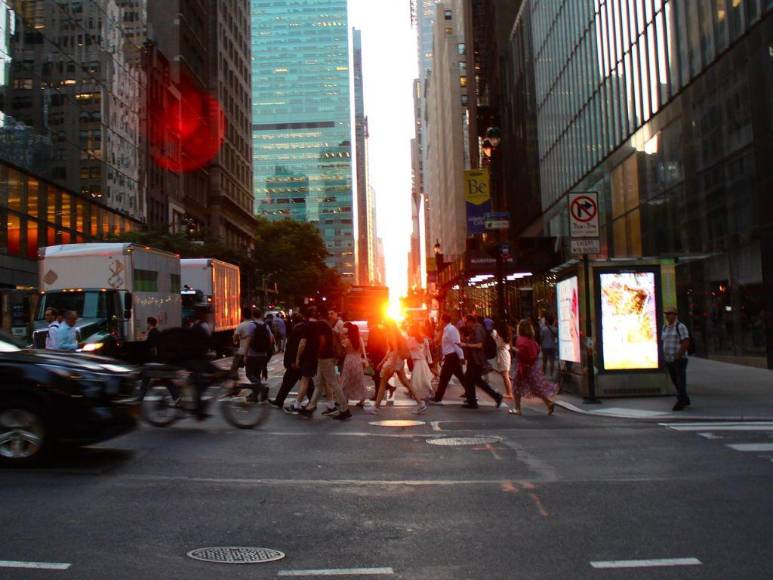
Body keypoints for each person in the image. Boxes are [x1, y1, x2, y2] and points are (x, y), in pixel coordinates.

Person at [299, 307, 351, 420]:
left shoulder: (321, 324)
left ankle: (344, 408)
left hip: (324, 358)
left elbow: (322, 342)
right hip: (326, 357)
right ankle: (311, 407)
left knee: (333, 383)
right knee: (319, 383)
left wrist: (317, 354)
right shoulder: (326, 324)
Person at [374, 321, 427, 413]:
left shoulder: (392, 335)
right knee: (406, 382)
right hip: (399, 361)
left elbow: (394, 350)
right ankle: (420, 403)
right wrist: (382, 362)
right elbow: (391, 350)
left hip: (394, 361)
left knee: (383, 382)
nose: (382, 326)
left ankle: (376, 407)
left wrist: (391, 365)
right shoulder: (397, 335)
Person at [510, 319, 556, 416]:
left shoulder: (520, 339)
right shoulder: (532, 340)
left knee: (516, 387)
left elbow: (521, 353)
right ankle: (548, 402)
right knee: (536, 387)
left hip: (522, 367)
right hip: (532, 367)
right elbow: (537, 350)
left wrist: (514, 349)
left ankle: (517, 408)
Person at [459, 315, 503, 409]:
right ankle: (475, 401)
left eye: (466, 322)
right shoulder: (474, 329)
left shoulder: (478, 329)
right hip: (474, 359)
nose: (465, 324)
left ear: (471, 321)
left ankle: (473, 402)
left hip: (477, 359)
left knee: (470, 380)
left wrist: (466, 344)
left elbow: (480, 345)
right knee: (474, 380)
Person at [272, 313, 315, 409]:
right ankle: (279, 400)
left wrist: (294, 360)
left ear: (293, 320)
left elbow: (294, 347)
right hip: (301, 360)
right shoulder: (304, 328)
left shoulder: (297, 330)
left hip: (296, 362)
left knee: (294, 382)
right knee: (304, 382)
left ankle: (279, 401)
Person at [432, 313, 466, 403]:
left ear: (443, 320)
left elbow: (456, 344)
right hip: (449, 357)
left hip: (452, 357)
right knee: (460, 377)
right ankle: (471, 395)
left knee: (444, 378)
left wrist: (461, 356)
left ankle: (438, 397)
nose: (439, 322)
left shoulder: (451, 330)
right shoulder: (446, 330)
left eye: (440, 320)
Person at [662, 307, 691, 411]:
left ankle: (681, 401)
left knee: (680, 380)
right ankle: (685, 398)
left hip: (679, 359)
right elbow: (663, 341)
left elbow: (686, 341)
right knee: (675, 380)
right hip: (669, 359)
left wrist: (678, 355)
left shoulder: (680, 326)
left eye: (670, 314)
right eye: (666, 314)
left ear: (675, 315)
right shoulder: (665, 327)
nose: (668, 316)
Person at [245, 308, 273, 397]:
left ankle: (262, 388)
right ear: (261, 315)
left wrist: (245, 354)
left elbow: (248, 340)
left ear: (252, 315)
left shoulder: (251, 325)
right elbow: (272, 339)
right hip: (263, 355)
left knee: (249, 374)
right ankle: (254, 395)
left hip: (252, 354)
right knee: (257, 375)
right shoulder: (266, 325)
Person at [340, 322, 368, 408]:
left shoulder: (347, 340)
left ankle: (345, 398)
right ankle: (362, 399)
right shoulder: (359, 339)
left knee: (346, 379)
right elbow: (363, 350)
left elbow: (343, 350)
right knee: (359, 380)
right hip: (357, 360)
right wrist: (365, 359)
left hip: (349, 360)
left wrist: (341, 337)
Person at [407, 324, 434, 404]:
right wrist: (430, 361)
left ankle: (430, 392)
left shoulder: (411, 339)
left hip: (418, 361)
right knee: (423, 378)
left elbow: (407, 350)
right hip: (423, 361)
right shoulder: (423, 339)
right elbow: (428, 351)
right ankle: (428, 392)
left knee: (417, 379)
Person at [230, 307, 254, 380]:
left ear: (242, 315)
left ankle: (235, 385)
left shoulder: (241, 325)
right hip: (254, 352)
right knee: (251, 372)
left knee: (233, 369)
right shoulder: (254, 324)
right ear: (251, 315)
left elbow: (234, 339)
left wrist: (237, 340)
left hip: (242, 352)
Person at [492, 321, 513, 399]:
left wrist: (495, 336)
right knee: (505, 374)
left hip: (503, 355)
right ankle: (509, 392)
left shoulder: (501, 337)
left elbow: (497, 344)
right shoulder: (505, 336)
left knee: (505, 375)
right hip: (503, 355)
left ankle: (509, 393)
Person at [540, 313, 558, 378]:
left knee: (544, 361)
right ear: (553, 321)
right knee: (552, 361)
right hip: (552, 346)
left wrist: (541, 345)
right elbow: (556, 336)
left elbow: (541, 338)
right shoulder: (555, 329)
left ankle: (544, 374)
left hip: (544, 347)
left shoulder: (543, 329)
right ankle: (551, 374)